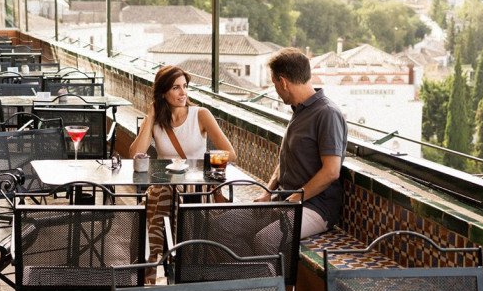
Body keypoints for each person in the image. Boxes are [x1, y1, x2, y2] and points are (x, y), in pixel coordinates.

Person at [130, 66, 237, 267]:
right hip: (164, 188)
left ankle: (174, 261)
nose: (183, 93)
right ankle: (164, 262)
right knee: (160, 198)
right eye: (175, 88)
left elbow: (230, 154)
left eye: (185, 87)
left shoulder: (201, 115)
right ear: (163, 93)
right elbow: (135, 155)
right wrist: (151, 117)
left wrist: (198, 164)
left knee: (172, 196)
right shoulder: (155, 120)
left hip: (197, 188)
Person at [257, 47, 346, 238]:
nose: (276, 90)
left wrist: (295, 199)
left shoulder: (327, 113)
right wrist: (268, 191)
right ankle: (246, 268)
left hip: (315, 208)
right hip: (285, 200)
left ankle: (267, 268)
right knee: (225, 225)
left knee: (266, 239)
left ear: (283, 82)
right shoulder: (300, 110)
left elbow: (331, 171)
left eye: (275, 84)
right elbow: (286, 159)